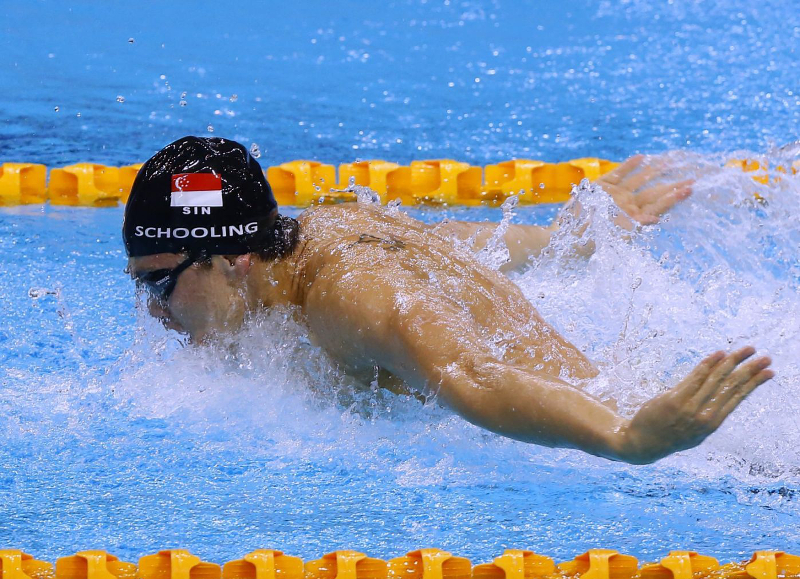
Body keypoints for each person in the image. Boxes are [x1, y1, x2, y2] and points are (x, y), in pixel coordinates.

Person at [124, 136, 773, 465]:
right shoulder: (316, 230)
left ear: (232, 261)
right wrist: (562, 239)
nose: (154, 311)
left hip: (669, 449)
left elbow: (471, 373)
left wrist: (626, 437)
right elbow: (451, 243)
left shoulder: (346, 292)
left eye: (160, 284)